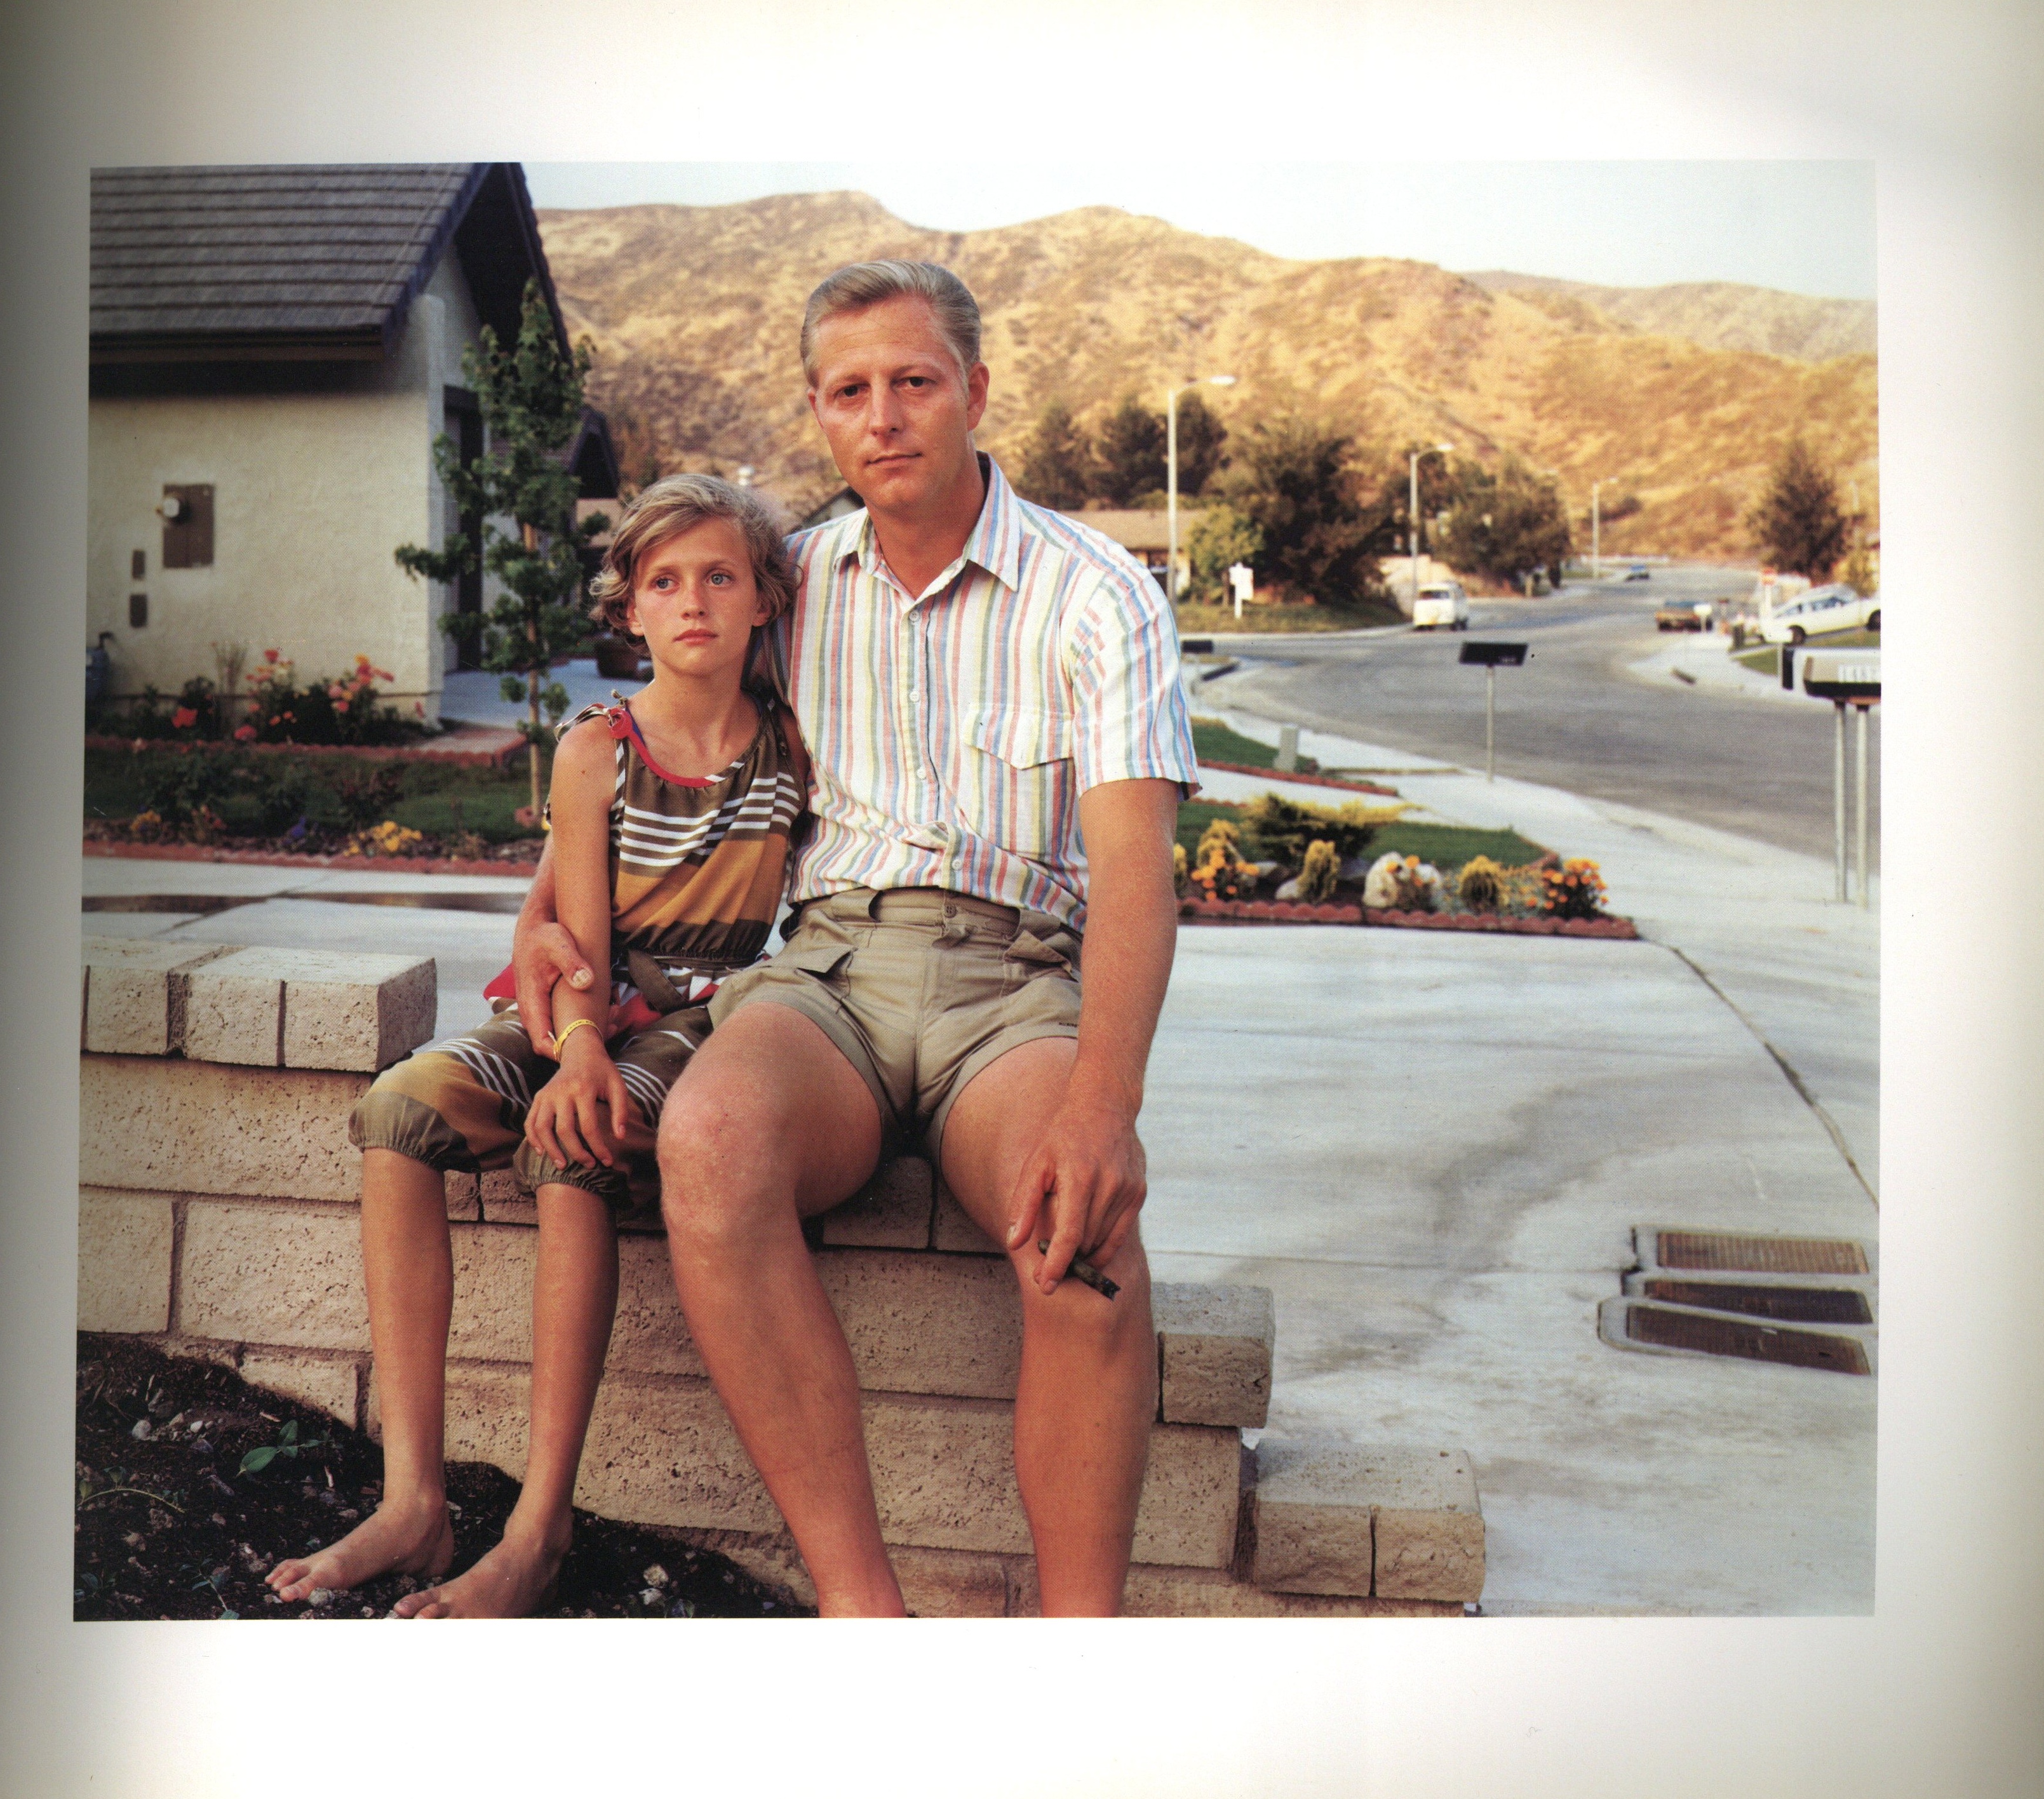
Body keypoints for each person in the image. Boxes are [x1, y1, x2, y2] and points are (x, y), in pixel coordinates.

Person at [514, 260, 1197, 1616]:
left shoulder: (1097, 593)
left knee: (1082, 1243)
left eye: (912, 381)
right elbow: (650, 735)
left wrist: (1102, 1106)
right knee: (710, 1138)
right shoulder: (792, 586)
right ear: (820, 414)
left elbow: (1135, 878)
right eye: (847, 391)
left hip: (1013, 989)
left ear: (975, 391)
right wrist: (543, 914)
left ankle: (1084, 1658)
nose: (881, 416)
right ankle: (860, 1610)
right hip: (827, 973)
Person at [266, 474, 805, 1617]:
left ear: (765, 598)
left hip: (703, 1018)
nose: (693, 601)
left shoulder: (790, 748)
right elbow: (571, 929)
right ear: (630, 608)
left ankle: (538, 1524)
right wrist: (574, 1042)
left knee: (572, 1145)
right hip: (584, 999)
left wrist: (590, 1066)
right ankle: (412, 1497)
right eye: (665, 581)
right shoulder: (597, 747)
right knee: (400, 1109)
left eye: (720, 577)